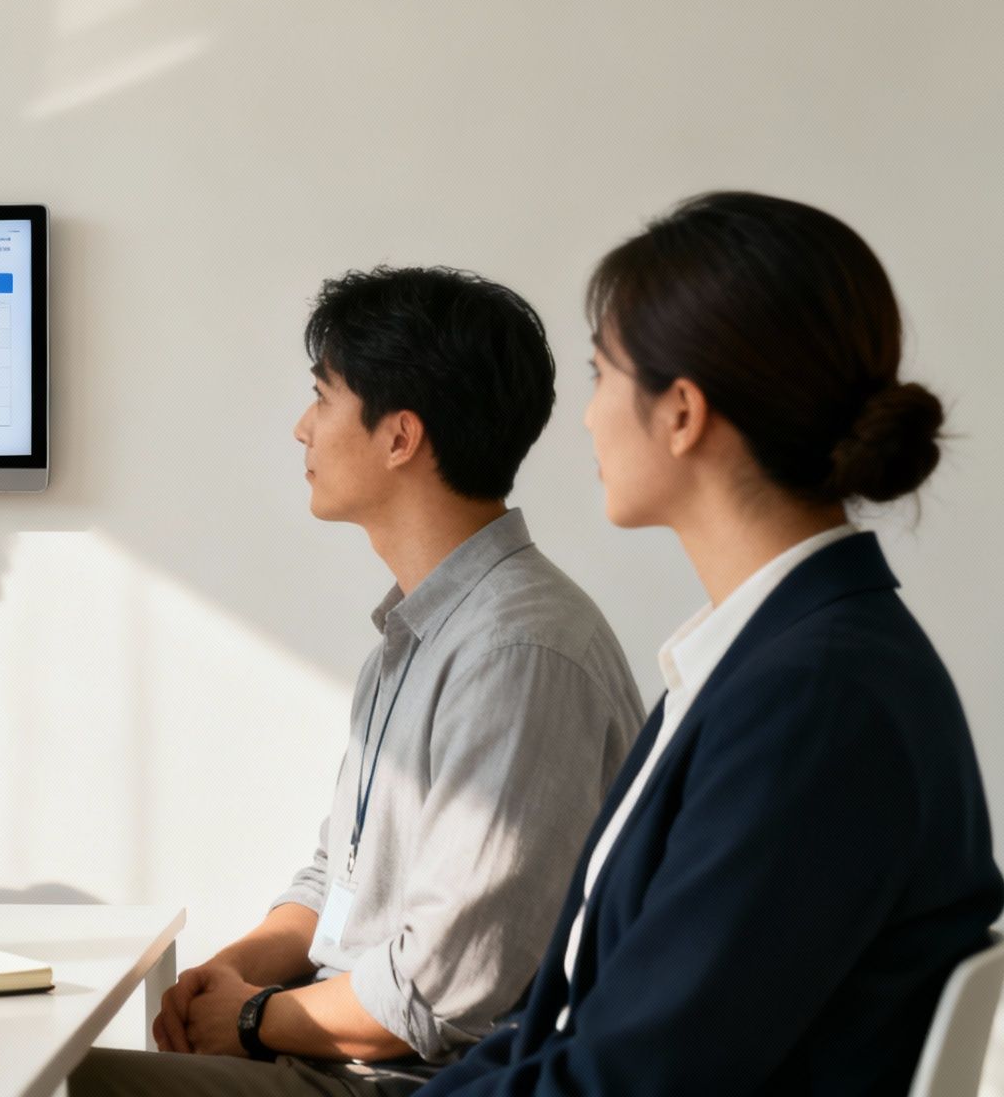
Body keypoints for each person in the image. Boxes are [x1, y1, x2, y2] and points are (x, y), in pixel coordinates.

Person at [419, 192, 1004, 1097]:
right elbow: (572, 1028)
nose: (586, 417)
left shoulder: (817, 696)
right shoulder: (774, 658)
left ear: (681, 413)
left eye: (600, 375)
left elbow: (635, 1078)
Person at [70, 267, 645, 1096]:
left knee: (60, 1086)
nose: (303, 428)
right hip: (336, 1049)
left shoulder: (519, 650)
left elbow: (441, 993)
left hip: (421, 1082)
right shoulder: (417, 633)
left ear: (399, 436)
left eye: (323, 397)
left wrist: (245, 1018)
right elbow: (336, 883)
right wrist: (228, 972)